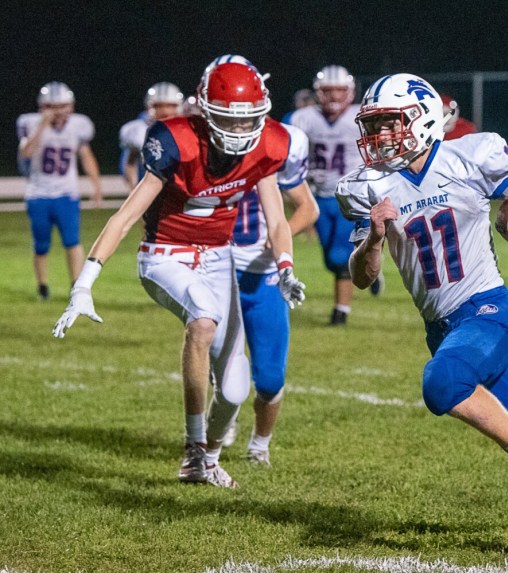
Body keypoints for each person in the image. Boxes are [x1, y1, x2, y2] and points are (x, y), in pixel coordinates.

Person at [336, 73, 508, 537]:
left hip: (489, 309)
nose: (381, 137)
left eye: (391, 124)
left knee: (442, 382)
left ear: (423, 119)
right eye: (376, 126)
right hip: (443, 329)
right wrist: (373, 239)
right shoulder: (370, 187)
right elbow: (363, 278)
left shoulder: (468, 156)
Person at [52, 58, 306, 489]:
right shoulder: (177, 141)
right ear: (205, 110)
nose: (240, 132)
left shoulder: (270, 144)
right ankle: (192, 451)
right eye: (229, 119)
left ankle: (207, 458)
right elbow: (127, 214)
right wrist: (84, 283)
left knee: (234, 390)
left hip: (219, 257)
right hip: (165, 254)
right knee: (203, 321)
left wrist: (285, 267)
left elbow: (277, 217)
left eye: (249, 122)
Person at [227, 125, 319, 464]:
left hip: (264, 274)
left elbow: (308, 208)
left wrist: (282, 239)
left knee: (269, 378)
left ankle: (259, 445)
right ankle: (220, 423)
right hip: (217, 271)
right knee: (223, 371)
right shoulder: (203, 148)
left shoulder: (278, 145)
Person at [286, 65, 382, 326]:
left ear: (350, 91)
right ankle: (370, 268)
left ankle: (341, 312)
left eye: (340, 90)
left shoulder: (362, 116)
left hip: (352, 194)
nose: (335, 96)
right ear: (318, 92)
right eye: (329, 91)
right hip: (318, 196)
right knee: (331, 258)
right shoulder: (301, 119)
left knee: (340, 257)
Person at [16, 81, 103, 300]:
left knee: (73, 241)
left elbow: (86, 155)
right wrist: (42, 126)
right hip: (38, 194)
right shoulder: (30, 123)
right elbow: (26, 152)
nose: (59, 111)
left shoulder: (78, 125)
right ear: (43, 107)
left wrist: (97, 186)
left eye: (63, 106)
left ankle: (77, 285)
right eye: (53, 107)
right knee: (41, 244)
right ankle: (43, 287)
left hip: (67, 194)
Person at [119, 82, 184, 189]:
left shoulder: (188, 129)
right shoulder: (139, 130)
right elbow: (130, 163)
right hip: (150, 190)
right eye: (159, 106)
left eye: (170, 106)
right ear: (149, 106)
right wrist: (133, 188)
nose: (165, 111)